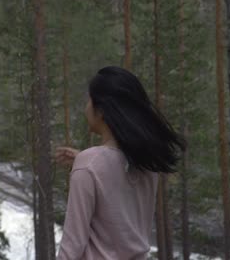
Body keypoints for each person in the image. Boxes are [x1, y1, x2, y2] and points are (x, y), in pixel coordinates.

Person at [55, 66, 186, 260]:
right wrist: (86, 162)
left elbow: (72, 245)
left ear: (100, 110)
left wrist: (85, 164)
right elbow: (116, 174)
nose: (86, 107)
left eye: (89, 100)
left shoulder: (89, 164)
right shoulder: (148, 162)